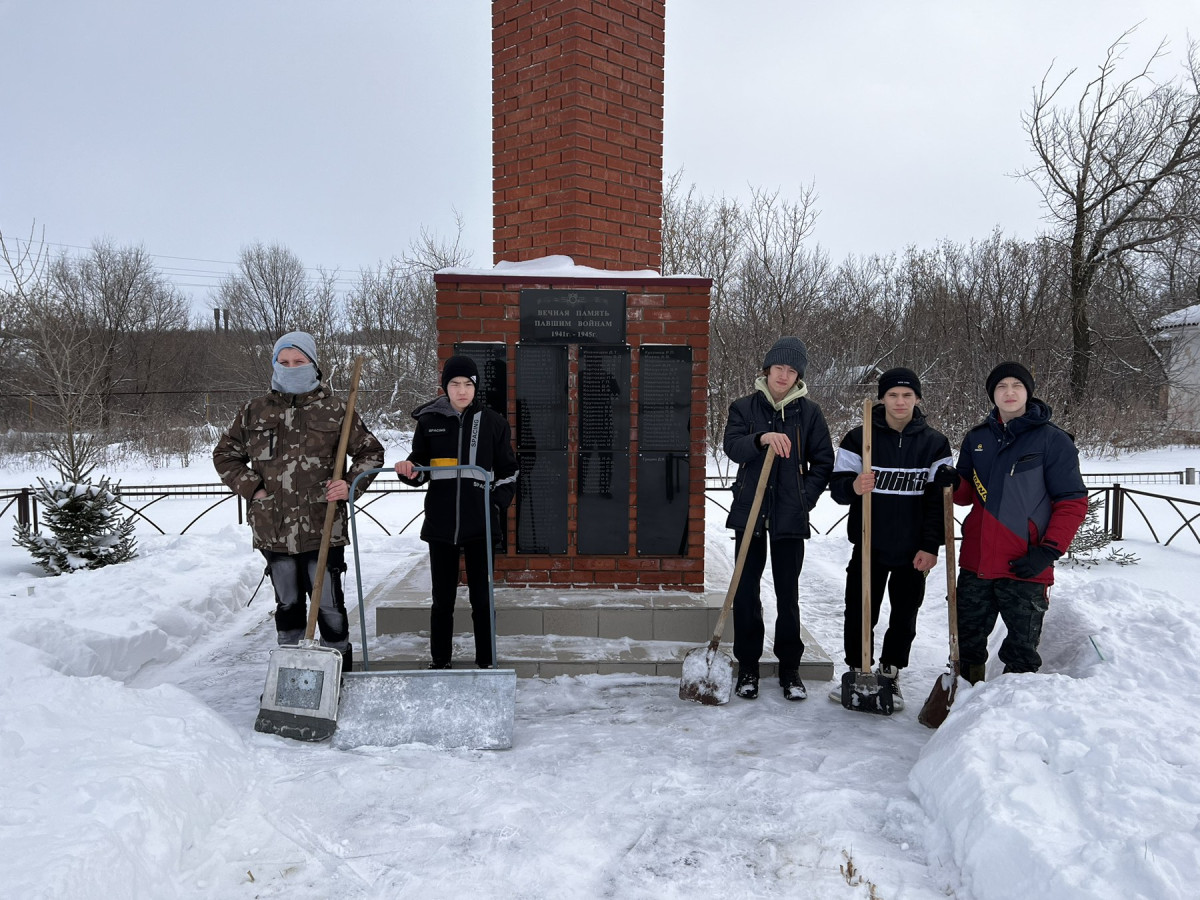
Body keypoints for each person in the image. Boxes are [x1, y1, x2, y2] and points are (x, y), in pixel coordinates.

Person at [213, 331, 384, 673]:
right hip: (273, 528)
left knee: (329, 605)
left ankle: (339, 673)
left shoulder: (336, 409)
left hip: (323, 524)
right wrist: (254, 489)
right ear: (275, 364)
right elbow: (225, 456)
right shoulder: (254, 411)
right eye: (284, 361)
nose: (291, 367)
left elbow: (371, 452)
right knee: (288, 602)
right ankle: (290, 677)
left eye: (299, 361)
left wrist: (349, 485)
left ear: (313, 364)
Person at [947, 362, 1087, 683]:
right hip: (976, 563)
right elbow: (968, 495)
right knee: (964, 649)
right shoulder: (977, 439)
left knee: (1021, 654)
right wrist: (953, 482)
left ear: (1028, 392)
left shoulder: (1053, 441)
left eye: (1016, 386)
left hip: (1026, 564)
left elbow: (1072, 501)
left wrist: (1048, 551)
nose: (1009, 392)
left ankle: (1011, 715)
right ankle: (962, 707)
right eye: (1001, 387)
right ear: (992, 394)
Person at [826, 368, 955, 710]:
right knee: (859, 609)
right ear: (882, 398)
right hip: (869, 544)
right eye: (893, 395)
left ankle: (889, 670)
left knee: (904, 614)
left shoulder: (934, 442)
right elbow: (838, 489)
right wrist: (854, 487)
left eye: (907, 395)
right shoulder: (859, 438)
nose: (900, 401)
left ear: (917, 399)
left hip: (913, 549)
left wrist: (931, 546)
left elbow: (936, 501)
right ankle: (858, 668)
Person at [722, 337, 834, 701]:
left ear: (798, 375)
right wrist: (762, 438)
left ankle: (790, 670)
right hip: (750, 513)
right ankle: (749, 667)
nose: (783, 376)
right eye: (778, 368)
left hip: (788, 517)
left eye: (791, 370)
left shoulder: (810, 413)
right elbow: (732, 446)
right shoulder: (743, 407)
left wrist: (805, 497)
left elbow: (823, 463)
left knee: (788, 595)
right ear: (766, 369)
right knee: (746, 592)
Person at [394, 355, 519, 669]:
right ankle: (440, 662)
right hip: (441, 524)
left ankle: (486, 662)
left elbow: (509, 471)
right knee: (442, 600)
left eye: (467, 384)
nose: (462, 390)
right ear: (445, 387)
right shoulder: (429, 422)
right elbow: (420, 468)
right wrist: (408, 470)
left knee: (481, 599)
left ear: (475, 387)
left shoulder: (494, 423)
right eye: (454, 384)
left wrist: (495, 503)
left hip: (482, 526)